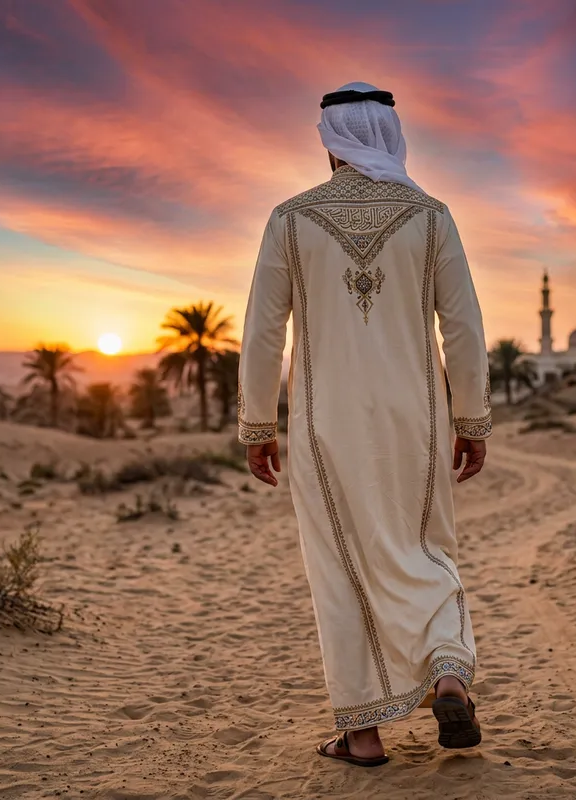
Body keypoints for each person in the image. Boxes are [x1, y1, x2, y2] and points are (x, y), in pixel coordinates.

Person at [238, 81, 491, 767]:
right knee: (425, 548)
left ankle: (363, 735)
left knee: (341, 565)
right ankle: (446, 673)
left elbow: (263, 333)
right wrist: (471, 418)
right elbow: (463, 326)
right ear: (389, 136)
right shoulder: (432, 217)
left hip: (325, 425)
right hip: (419, 421)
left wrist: (258, 426)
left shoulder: (290, 219)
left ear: (329, 143)